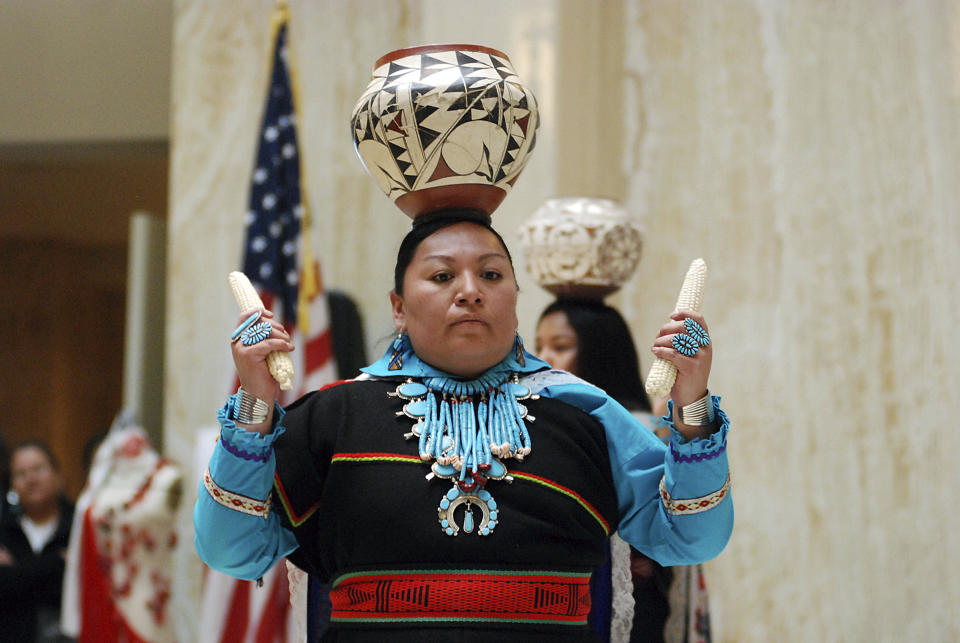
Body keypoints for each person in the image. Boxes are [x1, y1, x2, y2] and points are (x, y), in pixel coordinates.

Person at [195, 209, 733, 642]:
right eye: (442, 275)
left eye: (492, 274)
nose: (470, 290)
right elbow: (231, 549)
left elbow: (691, 536)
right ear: (398, 308)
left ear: (517, 302)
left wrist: (691, 400)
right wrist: (255, 403)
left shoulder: (585, 413)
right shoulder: (333, 417)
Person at [536, 299, 711, 642]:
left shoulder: (643, 430)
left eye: (560, 346)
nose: (544, 359)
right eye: (538, 345)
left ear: (600, 352)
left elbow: (683, 521)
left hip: (635, 603)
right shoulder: (543, 430)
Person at [0, 440, 74, 642]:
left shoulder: (78, 527)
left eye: (38, 469)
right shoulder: (4, 533)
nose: (31, 479)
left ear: (57, 474)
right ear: (12, 484)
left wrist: (15, 573)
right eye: (21, 474)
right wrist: (58, 564)